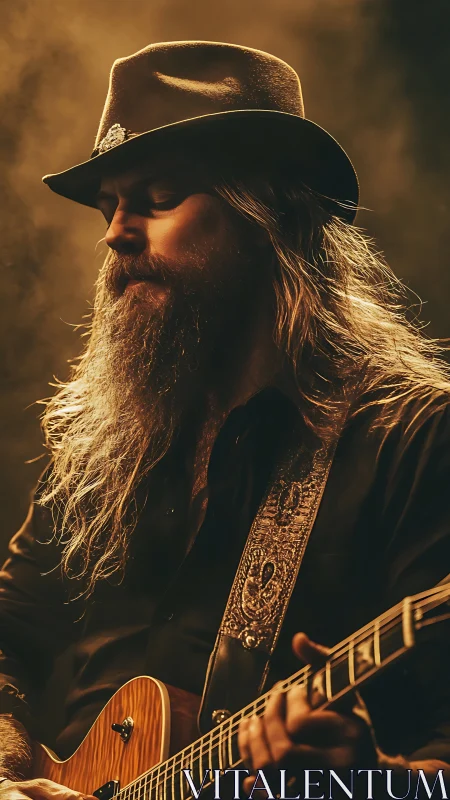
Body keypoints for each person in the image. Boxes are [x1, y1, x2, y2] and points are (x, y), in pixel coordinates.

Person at [1, 40, 450, 798]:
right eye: (110, 206)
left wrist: (369, 781)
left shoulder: (412, 441)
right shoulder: (98, 450)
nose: (115, 232)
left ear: (268, 213)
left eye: (158, 196)